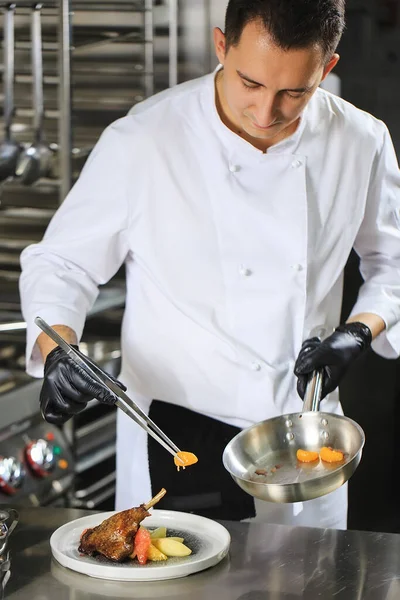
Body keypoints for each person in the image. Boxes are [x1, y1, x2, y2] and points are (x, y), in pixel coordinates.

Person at [19, 0, 400, 530]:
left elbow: (393, 263)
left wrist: (360, 330)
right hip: (176, 440)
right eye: (250, 82)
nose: (267, 112)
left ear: (327, 67)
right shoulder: (145, 139)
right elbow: (62, 263)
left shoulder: (361, 141)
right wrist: (58, 348)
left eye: (294, 92)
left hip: (305, 439)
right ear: (222, 46)